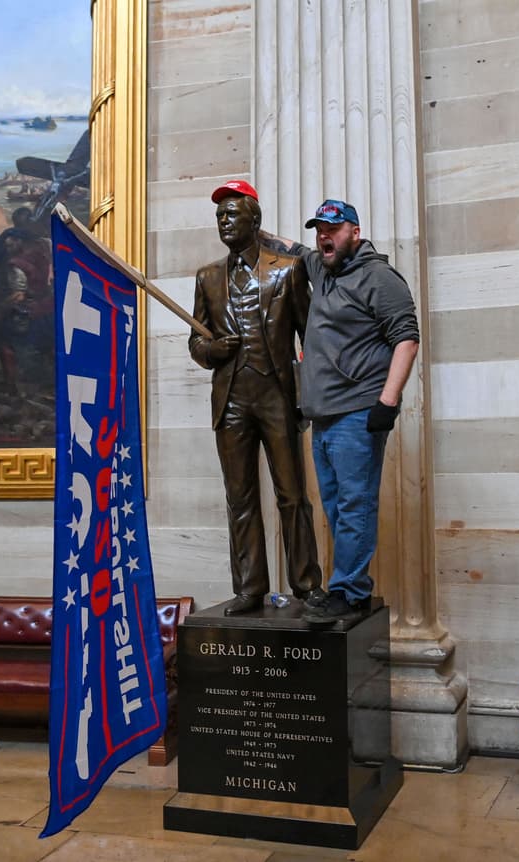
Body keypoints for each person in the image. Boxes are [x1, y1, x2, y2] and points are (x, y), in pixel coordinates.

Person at [187, 180, 323, 616]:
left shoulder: (287, 270)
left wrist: (312, 400)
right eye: (219, 216)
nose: (223, 222)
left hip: (276, 398)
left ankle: (305, 585)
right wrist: (212, 350)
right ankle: (249, 588)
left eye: (231, 214)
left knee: (292, 494)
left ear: (254, 219)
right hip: (231, 403)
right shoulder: (207, 277)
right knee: (240, 498)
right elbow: (196, 343)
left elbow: (311, 340)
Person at [296, 200, 419, 626]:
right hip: (323, 415)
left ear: (355, 231)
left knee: (355, 504)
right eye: (319, 230)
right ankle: (354, 588)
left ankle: (347, 592)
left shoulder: (379, 277)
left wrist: (387, 402)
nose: (324, 236)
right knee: (335, 505)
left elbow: (407, 339)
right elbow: (287, 248)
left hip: (358, 410)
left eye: (333, 228)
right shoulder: (321, 269)